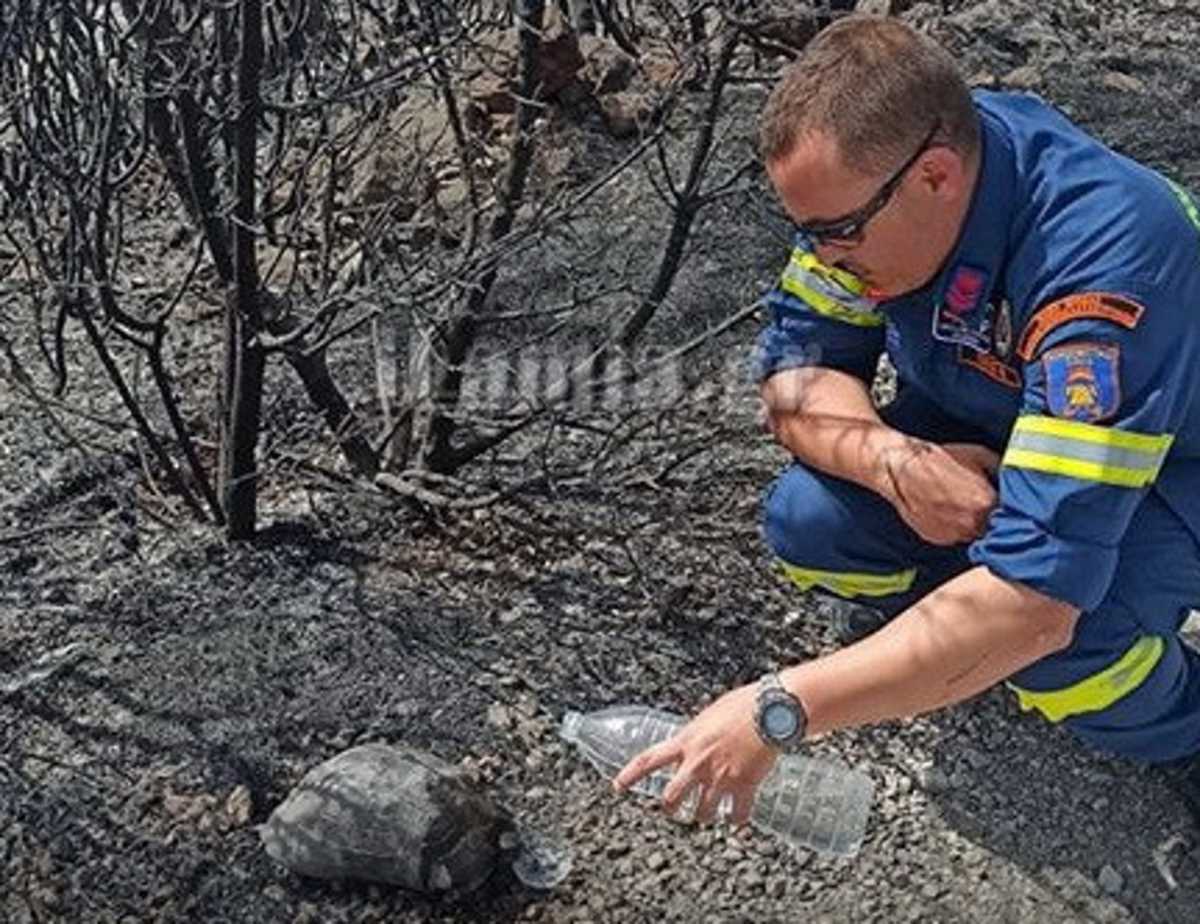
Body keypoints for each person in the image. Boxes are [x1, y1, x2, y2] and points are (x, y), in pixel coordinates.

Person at [614, 14, 1200, 829]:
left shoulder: (1106, 260)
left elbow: (1040, 599)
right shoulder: (872, 192)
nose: (821, 257)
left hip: (1171, 462)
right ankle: (942, 651)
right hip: (996, 427)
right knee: (809, 520)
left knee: (1069, 642)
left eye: (837, 234)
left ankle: (1181, 732)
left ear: (935, 176)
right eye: (806, 234)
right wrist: (893, 461)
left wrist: (779, 709)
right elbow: (795, 382)